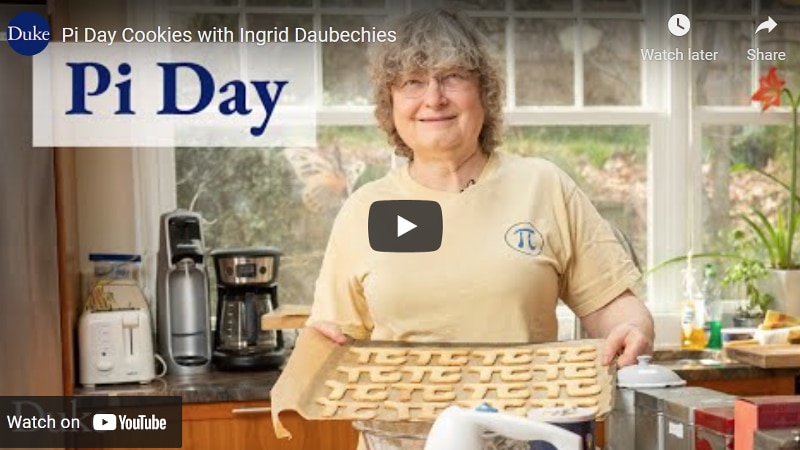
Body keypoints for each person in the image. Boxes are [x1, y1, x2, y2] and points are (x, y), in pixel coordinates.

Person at [307, 7, 654, 368]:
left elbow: (613, 305)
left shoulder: (544, 186)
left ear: (484, 94)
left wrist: (630, 328)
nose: (434, 98)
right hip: (400, 424)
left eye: (452, 77)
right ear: (389, 104)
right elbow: (335, 340)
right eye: (412, 81)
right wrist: (321, 345)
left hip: (524, 422)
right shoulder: (363, 210)